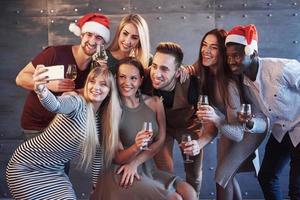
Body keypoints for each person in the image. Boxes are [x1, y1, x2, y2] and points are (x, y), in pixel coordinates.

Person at [6, 66, 121, 199]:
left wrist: (96, 186)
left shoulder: (100, 121)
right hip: (27, 166)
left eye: (103, 84)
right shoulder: (77, 102)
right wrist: (41, 89)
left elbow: (97, 157)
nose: (96, 87)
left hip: (55, 172)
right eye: (92, 81)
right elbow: (55, 105)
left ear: (109, 92)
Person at [91, 57, 197, 200]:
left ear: (141, 80)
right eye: (122, 77)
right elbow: (117, 157)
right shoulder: (112, 109)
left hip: (147, 168)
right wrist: (136, 146)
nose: (127, 83)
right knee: (174, 199)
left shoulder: (155, 102)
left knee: (190, 192)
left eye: (133, 78)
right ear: (116, 78)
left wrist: (136, 163)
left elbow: (160, 140)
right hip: (120, 171)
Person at [225, 24, 300, 200]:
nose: (231, 61)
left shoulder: (281, 68)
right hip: (281, 131)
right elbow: (262, 120)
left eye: (236, 55)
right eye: (228, 57)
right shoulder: (244, 83)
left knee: (296, 190)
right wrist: (250, 122)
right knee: (266, 177)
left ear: (253, 53)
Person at [195, 28, 269, 200]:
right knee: (227, 176)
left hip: (249, 130)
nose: (206, 50)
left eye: (213, 47)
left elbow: (238, 134)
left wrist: (216, 118)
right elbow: (193, 66)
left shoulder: (229, 85)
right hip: (230, 126)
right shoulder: (209, 75)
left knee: (222, 177)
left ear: (222, 53)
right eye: (204, 45)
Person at [16, 13, 111, 140]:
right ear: (82, 35)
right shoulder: (55, 53)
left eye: (99, 37)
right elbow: (21, 78)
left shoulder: (96, 68)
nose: (92, 41)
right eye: (89, 35)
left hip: (65, 129)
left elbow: (94, 97)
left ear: (103, 43)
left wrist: (101, 72)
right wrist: (49, 85)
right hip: (37, 127)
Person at [146, 42, 211, 197]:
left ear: (177, 72)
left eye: (164, 69)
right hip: (162, 128)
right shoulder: (144, 77)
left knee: (194, 174)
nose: (156, 73)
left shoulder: (193, 83)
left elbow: (210, 124)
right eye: (154, 66)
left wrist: (199, 142)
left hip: (188, 127)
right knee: (164, 174)